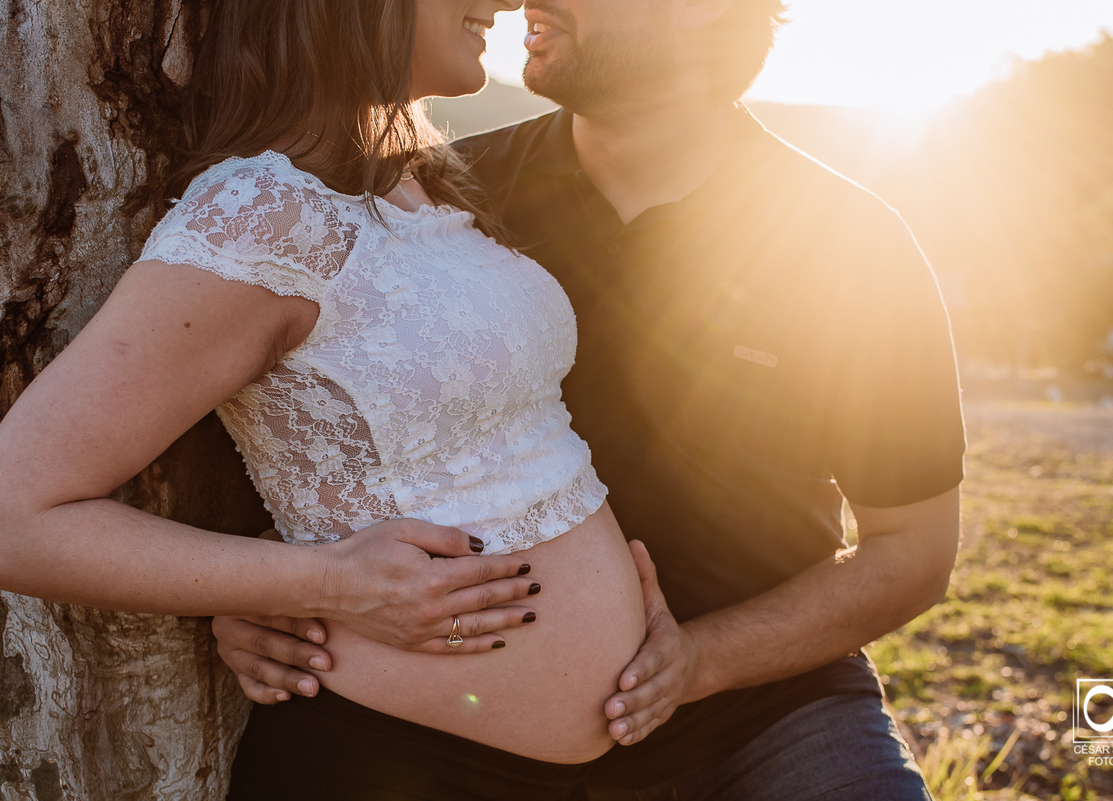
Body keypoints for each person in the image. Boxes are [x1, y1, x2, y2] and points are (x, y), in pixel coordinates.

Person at [216, 0, 968, 798]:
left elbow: (911, 552)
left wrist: (699, 661)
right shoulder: (434, 201)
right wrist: (274, 586)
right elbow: (280, 421)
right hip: (443, 713)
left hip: (759, 713)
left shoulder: (852, 242)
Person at [0, 0, 659, 798]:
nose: (504, 3)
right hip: (388, 763)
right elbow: (14, 513)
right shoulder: (262, 216)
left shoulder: (412, 179)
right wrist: (321, 581)